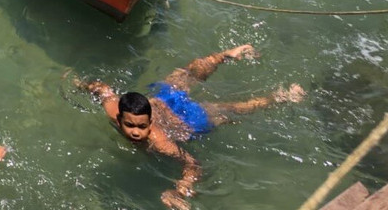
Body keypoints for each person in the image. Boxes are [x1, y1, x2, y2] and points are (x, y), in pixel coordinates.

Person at [77, 45, 304, 210]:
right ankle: (226, 56)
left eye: (142, 127)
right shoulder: (112, 107)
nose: (136, 132)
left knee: (233, 109)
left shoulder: (160, 142)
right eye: (129, 125)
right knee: (185, 72)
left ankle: (279, 96)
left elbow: (193, 164)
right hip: (163, 101)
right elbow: (102, 89)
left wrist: (180, 190)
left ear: (149, 123)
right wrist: (82, 84)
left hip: (189, 121)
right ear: (118, 119)